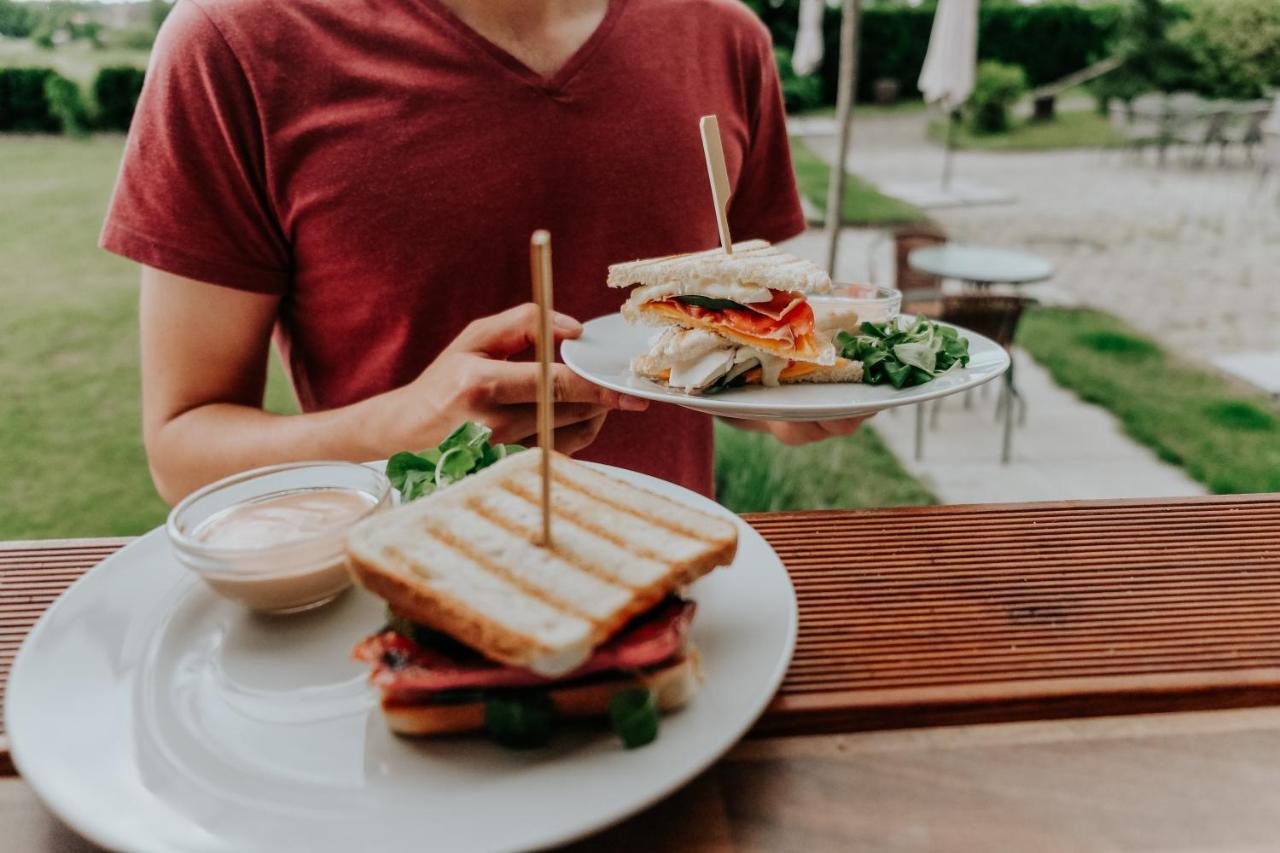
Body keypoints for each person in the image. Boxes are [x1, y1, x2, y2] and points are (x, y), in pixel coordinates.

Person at [103, 0, 865, 505]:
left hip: (678, 603)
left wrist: (794, 388)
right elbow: (184, 451)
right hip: (387, 618)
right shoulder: (233, 43)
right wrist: (407, 424)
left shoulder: (724, 36)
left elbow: (726, 358)